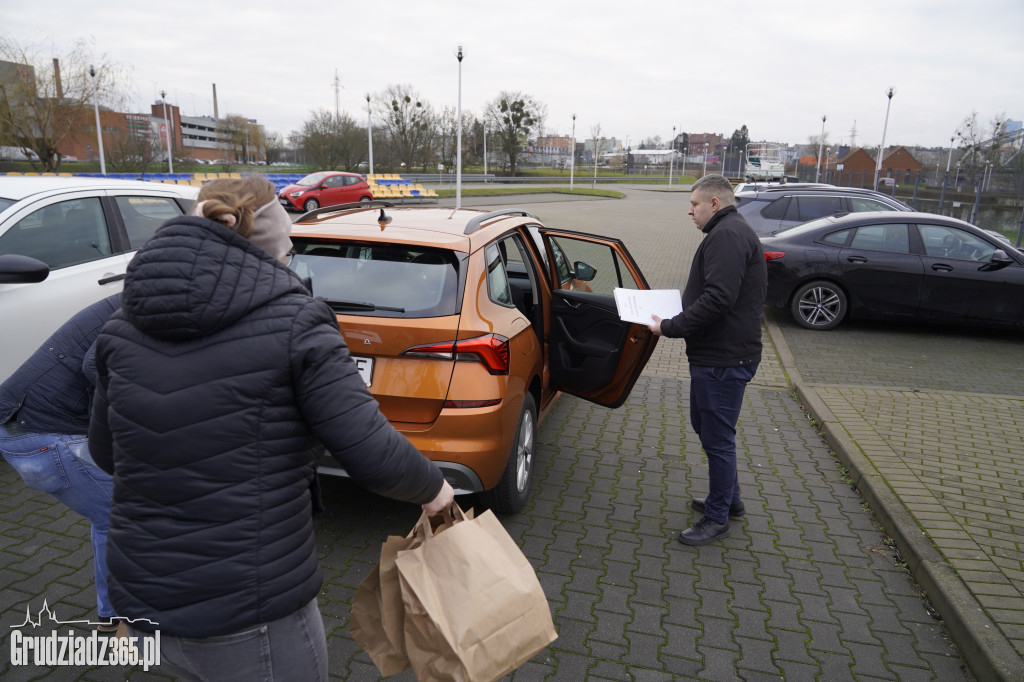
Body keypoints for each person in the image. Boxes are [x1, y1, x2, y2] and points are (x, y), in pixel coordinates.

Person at [88, 175, 454, 681]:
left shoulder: (119, 327)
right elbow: (370, 452)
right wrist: (435, 491)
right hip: (248, 614)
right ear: (274, 250)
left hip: (145, 605)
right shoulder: (296, 323)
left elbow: (106, 454)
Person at [648, 174, 766, 546]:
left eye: (694, 204)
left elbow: (718, 299)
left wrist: (669, 326)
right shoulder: (730, 231)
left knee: (717, 439)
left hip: (723, 360)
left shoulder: (728, 236)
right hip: (721, 356)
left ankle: (717, 519)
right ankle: (729, 500)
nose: (690, 210)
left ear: (714, 203)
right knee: (708, 428)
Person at [0, 294, 121, 631]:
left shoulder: (151, 290)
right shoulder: (154, 303)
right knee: (120, 515)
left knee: (112, 514)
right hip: (37, 432)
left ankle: (116, 611)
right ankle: (117, 617)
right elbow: (95, 364)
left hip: (30, 425)